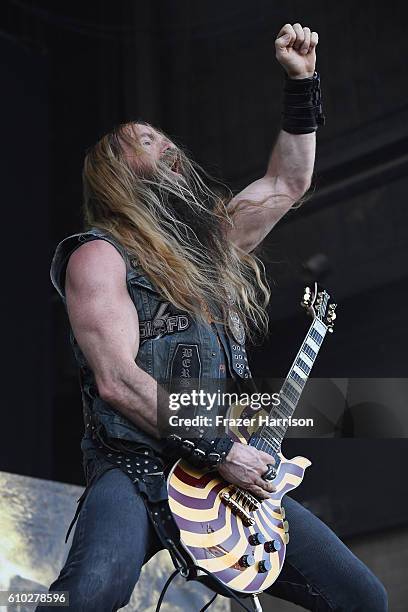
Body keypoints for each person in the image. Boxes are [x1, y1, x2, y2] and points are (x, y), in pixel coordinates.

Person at [41, 23, 387, 612]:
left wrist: (301, 83)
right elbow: (118, 381)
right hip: (137, 466)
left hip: (222, 483)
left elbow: (287, 181)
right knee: (88, 595)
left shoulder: (214, 247)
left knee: (363, 596)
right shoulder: (98, 254)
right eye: (145, 140)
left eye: (163, 136)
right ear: (115, 170)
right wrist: (220, 447)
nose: (166, 143)